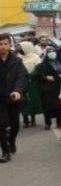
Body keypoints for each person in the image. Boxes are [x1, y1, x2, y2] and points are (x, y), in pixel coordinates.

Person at [0, 33, 28, 163]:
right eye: (0, 44)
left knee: (15, 124)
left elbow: (21, 77)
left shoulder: (16, 60)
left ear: (10, 45)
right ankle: (5, 152)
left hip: (13, 97)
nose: (3, 47)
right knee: (1, 125)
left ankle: (11, 140)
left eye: (5, 44)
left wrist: (17, 91)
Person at [36, 46, 61, 131]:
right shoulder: (42, 65)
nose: (52, 53)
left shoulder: (59, 62)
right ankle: (48, 123)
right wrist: (45, 77)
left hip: (58, 87)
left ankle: (59, 122)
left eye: (53, 51)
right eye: (49, 52)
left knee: (59, 106)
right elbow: (39, 76)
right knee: (47, 107)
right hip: (47, 89)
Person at [18, 40, 42, 128]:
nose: (19, 49)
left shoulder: (35, 57)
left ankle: (33, 119)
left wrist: (31, 75)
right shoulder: (19, 58)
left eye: (21, 47)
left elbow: (38, 68)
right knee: (23, 101)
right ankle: (25, 120)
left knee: (32, 101)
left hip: (32, 83)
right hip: (22, 82)